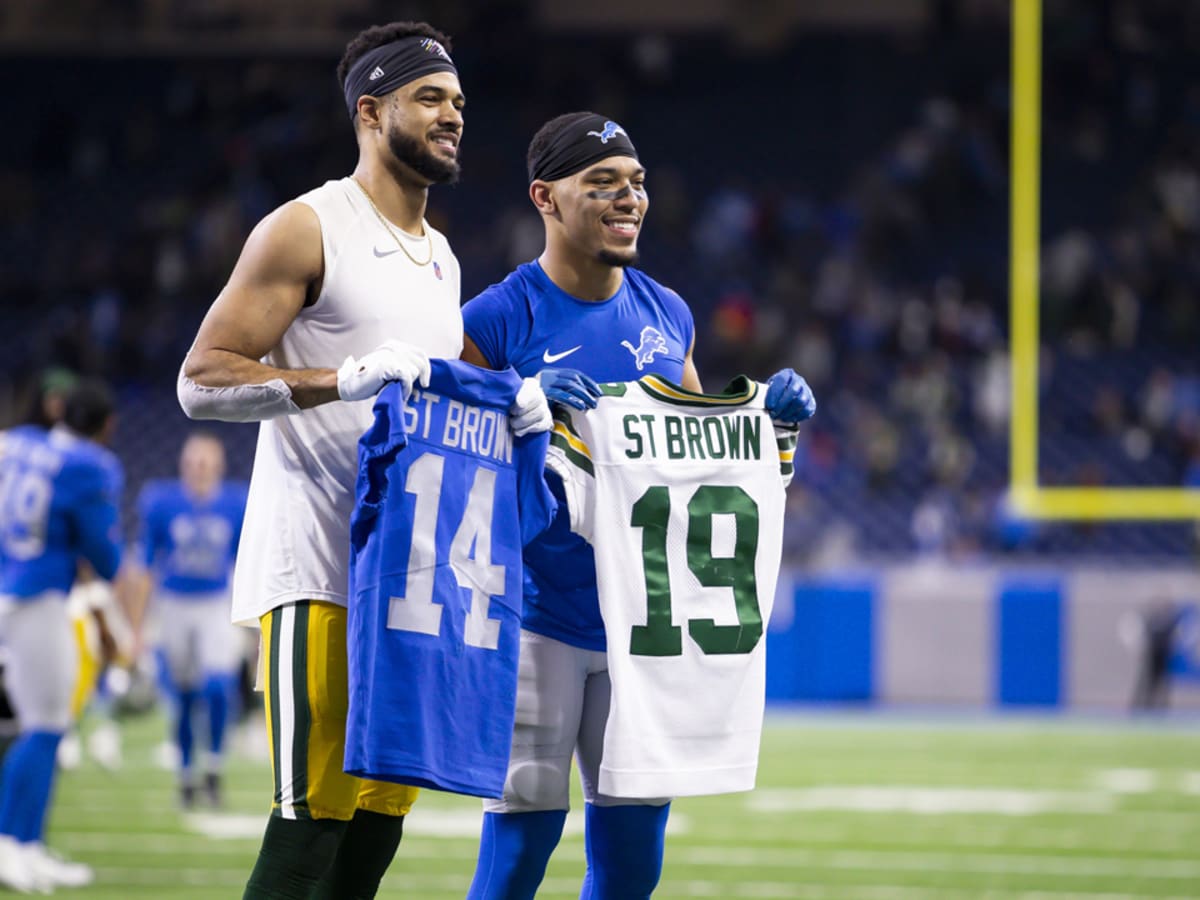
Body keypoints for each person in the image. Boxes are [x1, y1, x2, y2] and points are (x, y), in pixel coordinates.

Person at [176, 20, 548, 900]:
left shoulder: (443, 258)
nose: (454, 115)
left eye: (458, 100)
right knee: (312, 817)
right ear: (371, 112)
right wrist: (338, 380)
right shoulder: (307, 227)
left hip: (410, 580)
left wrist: (517, 406)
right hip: (318, 568)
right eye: (430, 98)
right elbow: (201, 383)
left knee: (381, 822)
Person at [460, 111, 816, 899]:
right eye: (604, 182)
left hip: (639, 626)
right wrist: (513, 398)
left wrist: (768, 426)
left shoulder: (667, 314)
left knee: (630, 865)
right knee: (519, 847)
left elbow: (693, 465)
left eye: (638, 183)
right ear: (545, 197)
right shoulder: (495, 317)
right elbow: (450, 455)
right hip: (533, 613)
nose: (630, 199)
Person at [0, 378, 123, 893]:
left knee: (40, 726)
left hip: (10, 585)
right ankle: (11, 844)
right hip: (38, 597)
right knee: (46, 725)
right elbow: (105, 555)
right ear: (105, 427)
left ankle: (26, 844)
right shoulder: (91, 466)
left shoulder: (17, 440)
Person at [124, 431, 248, 807]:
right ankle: (185, 775)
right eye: (194, 462)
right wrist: (136, 628)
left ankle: (213, 767)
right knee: (184, 695)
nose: (200, 469)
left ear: (219, 465)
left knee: (217, 686)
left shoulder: (235, 502)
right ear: (183, 465)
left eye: (206, 462)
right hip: (174, 603)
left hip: (215, 604)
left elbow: (244, 564)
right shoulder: (161, 500)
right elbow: (145, 566)